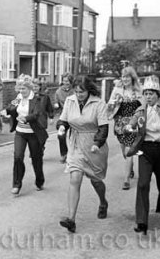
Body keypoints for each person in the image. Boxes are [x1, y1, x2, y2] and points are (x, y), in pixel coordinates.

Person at [57, 76, 109, 233]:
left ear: (89, 90)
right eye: (77, 91)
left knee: (96, 181)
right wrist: (61, 127)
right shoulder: (69, 101)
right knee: (75, 178)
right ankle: (71, 219)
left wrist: (97, 143)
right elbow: (64, 120)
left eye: (82, 91)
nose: (79, 94)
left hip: (93, 145)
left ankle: (103, 202)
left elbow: (104, 128)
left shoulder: (99, 103)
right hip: (76, 144)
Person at [125, 75, 160, 235]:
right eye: (146, 94)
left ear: (157, 95)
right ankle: (141, 221)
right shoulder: (140, 111)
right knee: (142, 184)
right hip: (146, 150)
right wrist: (129, 127)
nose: (148, 97)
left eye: (151, 93)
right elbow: (131, 124)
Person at [6, 75, 48, 195]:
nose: (21, 91)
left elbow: (36, 114)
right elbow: (11, 107)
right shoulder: (18, 98)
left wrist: (25, 118)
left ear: (29, 89)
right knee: (18, 157)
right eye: (19, 89)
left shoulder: (36, 99)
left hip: (33, 133)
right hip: (20, 133)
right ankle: (17, 184)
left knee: (36, 159)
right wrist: (6, 111)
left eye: (23, 89)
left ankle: (39, 181)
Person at [107, 66, 142, 190]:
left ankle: (126, 179)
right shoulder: (117, 89)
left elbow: (143, 107)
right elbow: (110, 104)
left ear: (132, 78)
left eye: (127, 76)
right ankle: (130, 167)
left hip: (132, 123)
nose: (125, 79)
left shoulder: (138, 90)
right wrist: (112, 106)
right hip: (119, 122)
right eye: (123, 76)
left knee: (128, 150)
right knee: (123, 150)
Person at [54, 73, 74, 163]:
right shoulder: (58, 92)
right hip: (63, 117)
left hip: (75, 117)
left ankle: (74, 155)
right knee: (61, 135)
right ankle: (64, 154)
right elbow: (55, 102)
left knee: (74, 137)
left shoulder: (75, 91)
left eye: (68, 81)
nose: (66, 83)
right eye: (65, 81)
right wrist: (56, 105)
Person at [32, 78, 54, 153]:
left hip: (42, 120)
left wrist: (51, 117)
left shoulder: (45, 96)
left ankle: (41, 147)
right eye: (33, 86)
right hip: (32, 120)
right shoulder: (28, 96)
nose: (34, 88)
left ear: (39, 87)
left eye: (36, 86)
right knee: (33, 137)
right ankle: (34, 151)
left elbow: (49, 107)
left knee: (42, 136)